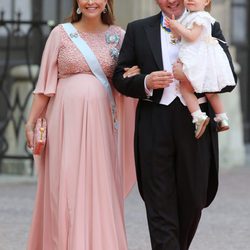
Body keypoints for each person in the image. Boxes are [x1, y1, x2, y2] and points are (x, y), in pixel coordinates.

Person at [113, 0, 237, 249]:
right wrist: (146, 81)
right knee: (158, 201)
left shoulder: (207, 25)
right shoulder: (138, 29)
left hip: (195, 123)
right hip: (154, 122)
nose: (171, 0)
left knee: (193, 198)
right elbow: (120, 76)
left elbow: (228, 79)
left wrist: (191, 76)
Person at [25, 0, 139, 249]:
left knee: (98, 187)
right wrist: (31, 121)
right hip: (64, 124)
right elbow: (45, 85)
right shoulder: (60, 33)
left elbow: (125, 80)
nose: (91, 1)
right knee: (64, 187)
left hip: (101, 126)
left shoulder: (119, 36)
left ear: (107, 2)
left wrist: (133, 78)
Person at [165, 0, 236, 139]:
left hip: (198, 57)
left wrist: (178, 27)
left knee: (185, 87)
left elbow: (191, 36)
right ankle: (222, 118)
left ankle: (198, 116)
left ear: (206, 1)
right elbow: (183, 37)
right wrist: (175, 30)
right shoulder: (191, 17)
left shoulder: (200, 17)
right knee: (209, 91)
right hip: (199, 55)